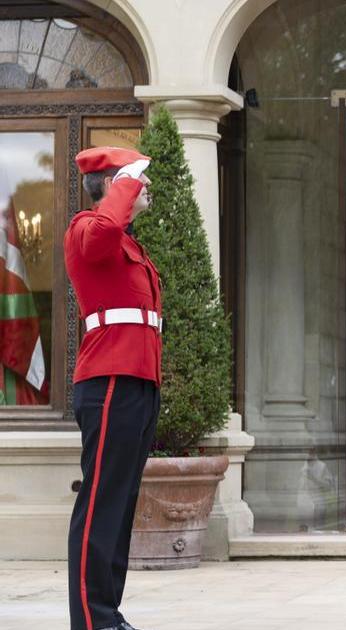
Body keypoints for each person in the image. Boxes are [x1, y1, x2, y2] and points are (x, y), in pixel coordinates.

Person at [65, 147, 162, 630]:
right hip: (108, 382)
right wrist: (125, 184)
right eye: (136, 178)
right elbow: (103, 233)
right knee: (101, 501)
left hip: (138, 382)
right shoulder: (86, 228)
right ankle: (91, 619)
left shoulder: (129, 244)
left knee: (120, 505)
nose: (147, 187)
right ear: (111, 183)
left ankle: (108, 614)